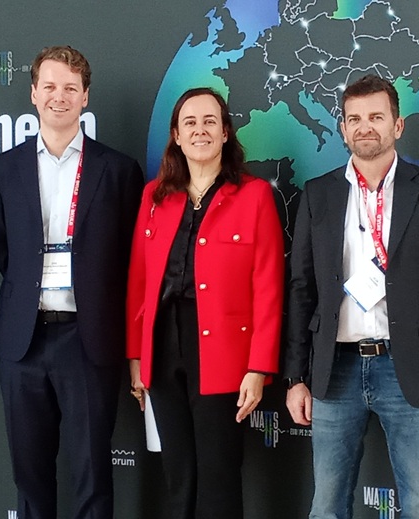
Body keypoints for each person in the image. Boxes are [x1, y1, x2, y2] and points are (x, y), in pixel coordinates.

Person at [283, 74, 419, 518]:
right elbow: (302, 288)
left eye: (376, 116)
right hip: (335, 371)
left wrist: (418, 329)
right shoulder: (319, 194)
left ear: (397, 125)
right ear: (343, 129)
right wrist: (295, 378)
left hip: (406, 368)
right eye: (354, 119)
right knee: (326, 507)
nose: (365, 127)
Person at [0, 45, 144, 519]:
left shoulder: (119, 170)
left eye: (71, 88)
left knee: (92, 474)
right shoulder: (2, 170)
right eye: (50, 86)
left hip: (87, 339)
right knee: (29, 477)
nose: (60, 96)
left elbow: (130, 257)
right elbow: (5, 250)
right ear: (33, 93)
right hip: (24, 339)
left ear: (85, 97)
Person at [126, 87, 284, 519]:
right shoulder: (155, 196)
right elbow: (139, 282)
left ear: (226, 132)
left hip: (224, 352)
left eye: (210, 121)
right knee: (178, 474)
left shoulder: (253, 195)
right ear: (176, 135)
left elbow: (269, 287)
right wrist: (136, 357)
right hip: (163, 346)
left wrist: (258, 367)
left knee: (218, 475)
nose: (200, 130)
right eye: (190, 123)